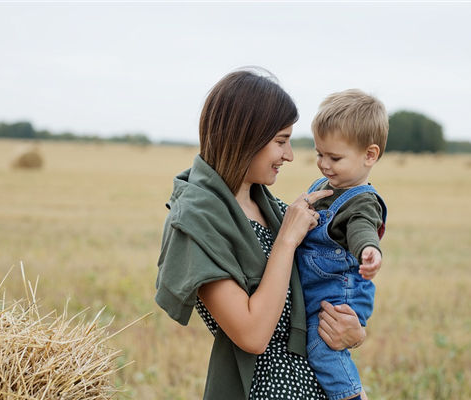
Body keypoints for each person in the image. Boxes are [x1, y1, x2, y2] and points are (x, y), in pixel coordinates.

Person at [155, 69, 367, 400]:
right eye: (281, 141)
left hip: (321, 387)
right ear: (245, 137)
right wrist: (286, 240)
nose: (290, 155)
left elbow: (331, 285)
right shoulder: (195, 225)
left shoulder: (275, 210)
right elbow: (253, 334)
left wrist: (353, 331)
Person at [296, 89, 389, 400]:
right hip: (320, 289)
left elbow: (363, 228)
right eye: (319, 153)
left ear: (369, 155)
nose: (324, 164)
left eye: (334, 157)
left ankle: (352, 396)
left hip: (341, 294)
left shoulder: (362, 201)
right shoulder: (323, 186)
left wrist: (369, 250)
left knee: (323, 349)